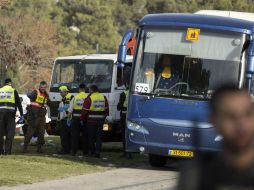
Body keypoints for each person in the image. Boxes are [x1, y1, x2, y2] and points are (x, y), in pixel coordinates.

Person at [178, 85, 254, 190]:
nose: (241, 125)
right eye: (231, 116)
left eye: (248, 114)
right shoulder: (196, 175)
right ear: (214, 121)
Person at [23, 81, 51, 153]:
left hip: (42, 117)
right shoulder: (35, 92)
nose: (43, 89)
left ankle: (39, 148)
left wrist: (57, 105)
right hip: (34, 116)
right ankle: (25, 148)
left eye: (44, 87)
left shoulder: (46, 95)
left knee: (41, 133)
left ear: (46, 87)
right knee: (30, 133)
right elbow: (29, 97)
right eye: (42, 87)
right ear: (39, 86)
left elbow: (49, 103)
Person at [81, 85, 109, 158]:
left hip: (91, 121)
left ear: (91, 90)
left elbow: (85, 111)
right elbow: (106, 109)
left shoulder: (89, 98)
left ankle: (92, 152)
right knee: (99, 137)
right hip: (101, 120)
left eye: (89, 90)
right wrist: (104, 117)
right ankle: (98, 152)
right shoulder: (103, 97)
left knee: (91, 137)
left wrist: (82, 119)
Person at [0, 78, 23, 155]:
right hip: (11, 114)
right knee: (10, 132)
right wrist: (22, 115)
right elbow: (19, 104)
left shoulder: (0, 90)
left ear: (4, 83)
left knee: (0, 132)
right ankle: (7, 151)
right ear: (10, 83)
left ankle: (0, 151)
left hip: (1, 113)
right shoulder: (13, 91)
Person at [68, 84, 88, 156]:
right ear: (85, 89)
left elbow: (70, 110)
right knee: (85, 136)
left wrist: (68, 119)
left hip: (75, 119)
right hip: (85, 119)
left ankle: (73, 151)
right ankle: (85, 152)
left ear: (79, 89)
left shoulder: (75, 97)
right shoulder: (88, 97)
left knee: (75, 136)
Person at [117, 66, 132, 158]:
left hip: (123, 115)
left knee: (124, 135)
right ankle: (130, 152)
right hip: (131, 115)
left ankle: (126, 152)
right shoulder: (134, 93)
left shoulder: (123, 94)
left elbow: (119, 107)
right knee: (130, 134)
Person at [57, 86, 73, 155]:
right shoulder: (66, 98)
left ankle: (65, 150)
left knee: (64, 136)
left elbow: (67, 107)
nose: (60, 93)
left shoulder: (68, 97)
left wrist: (59, 109)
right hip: (67, 119)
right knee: (67, 136)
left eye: (61, 92)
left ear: (65, 91)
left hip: (66, 119)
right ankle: (67, 150)